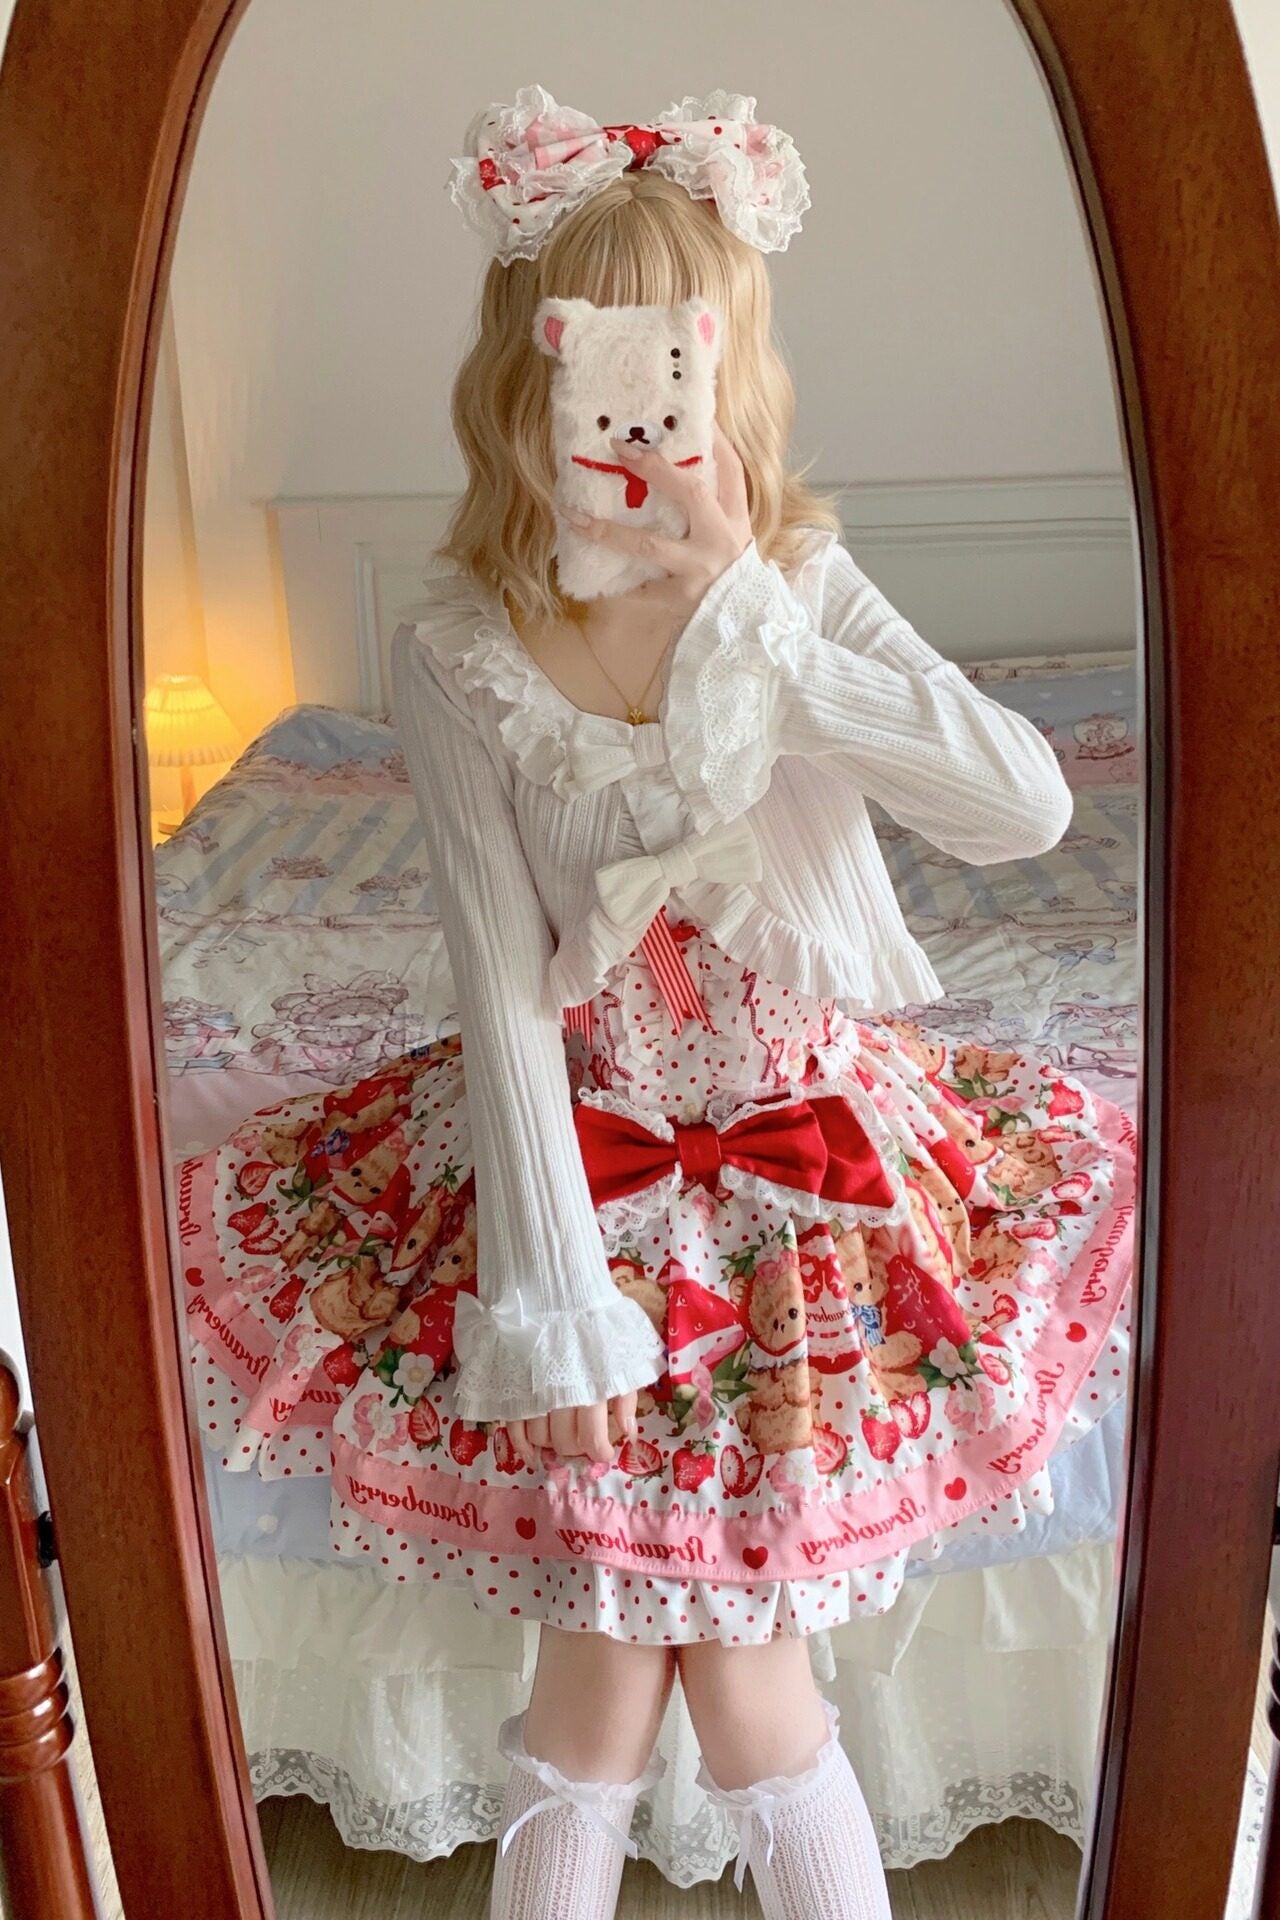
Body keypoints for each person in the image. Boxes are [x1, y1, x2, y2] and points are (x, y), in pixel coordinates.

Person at [183, 88, 1136, 1919]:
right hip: (570, 1176)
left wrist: (749, 613)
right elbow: (496, 985)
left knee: (719, 1689)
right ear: (526, 375)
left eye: (674, 361)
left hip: (814, 1178)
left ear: (729, 365)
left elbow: (1022, 808)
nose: (637, 413)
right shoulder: (457, 650)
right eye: (596, 361)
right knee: (611, 1685)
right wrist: (553, 1321)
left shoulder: (803, 589)